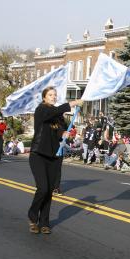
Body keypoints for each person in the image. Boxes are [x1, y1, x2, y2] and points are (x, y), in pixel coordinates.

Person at [27, 86, 83, 234]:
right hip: (38, 154)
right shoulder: (41, 110)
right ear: (44, 97)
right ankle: (33, 217)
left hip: (53, 156)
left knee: (49, 191)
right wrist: (73, 103)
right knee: (43, 188)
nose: (53, 97)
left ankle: (44, 222)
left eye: (55, 95)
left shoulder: (58, 117)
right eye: (50, 95)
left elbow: (59, 131)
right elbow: (54, 111)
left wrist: (65, 134)